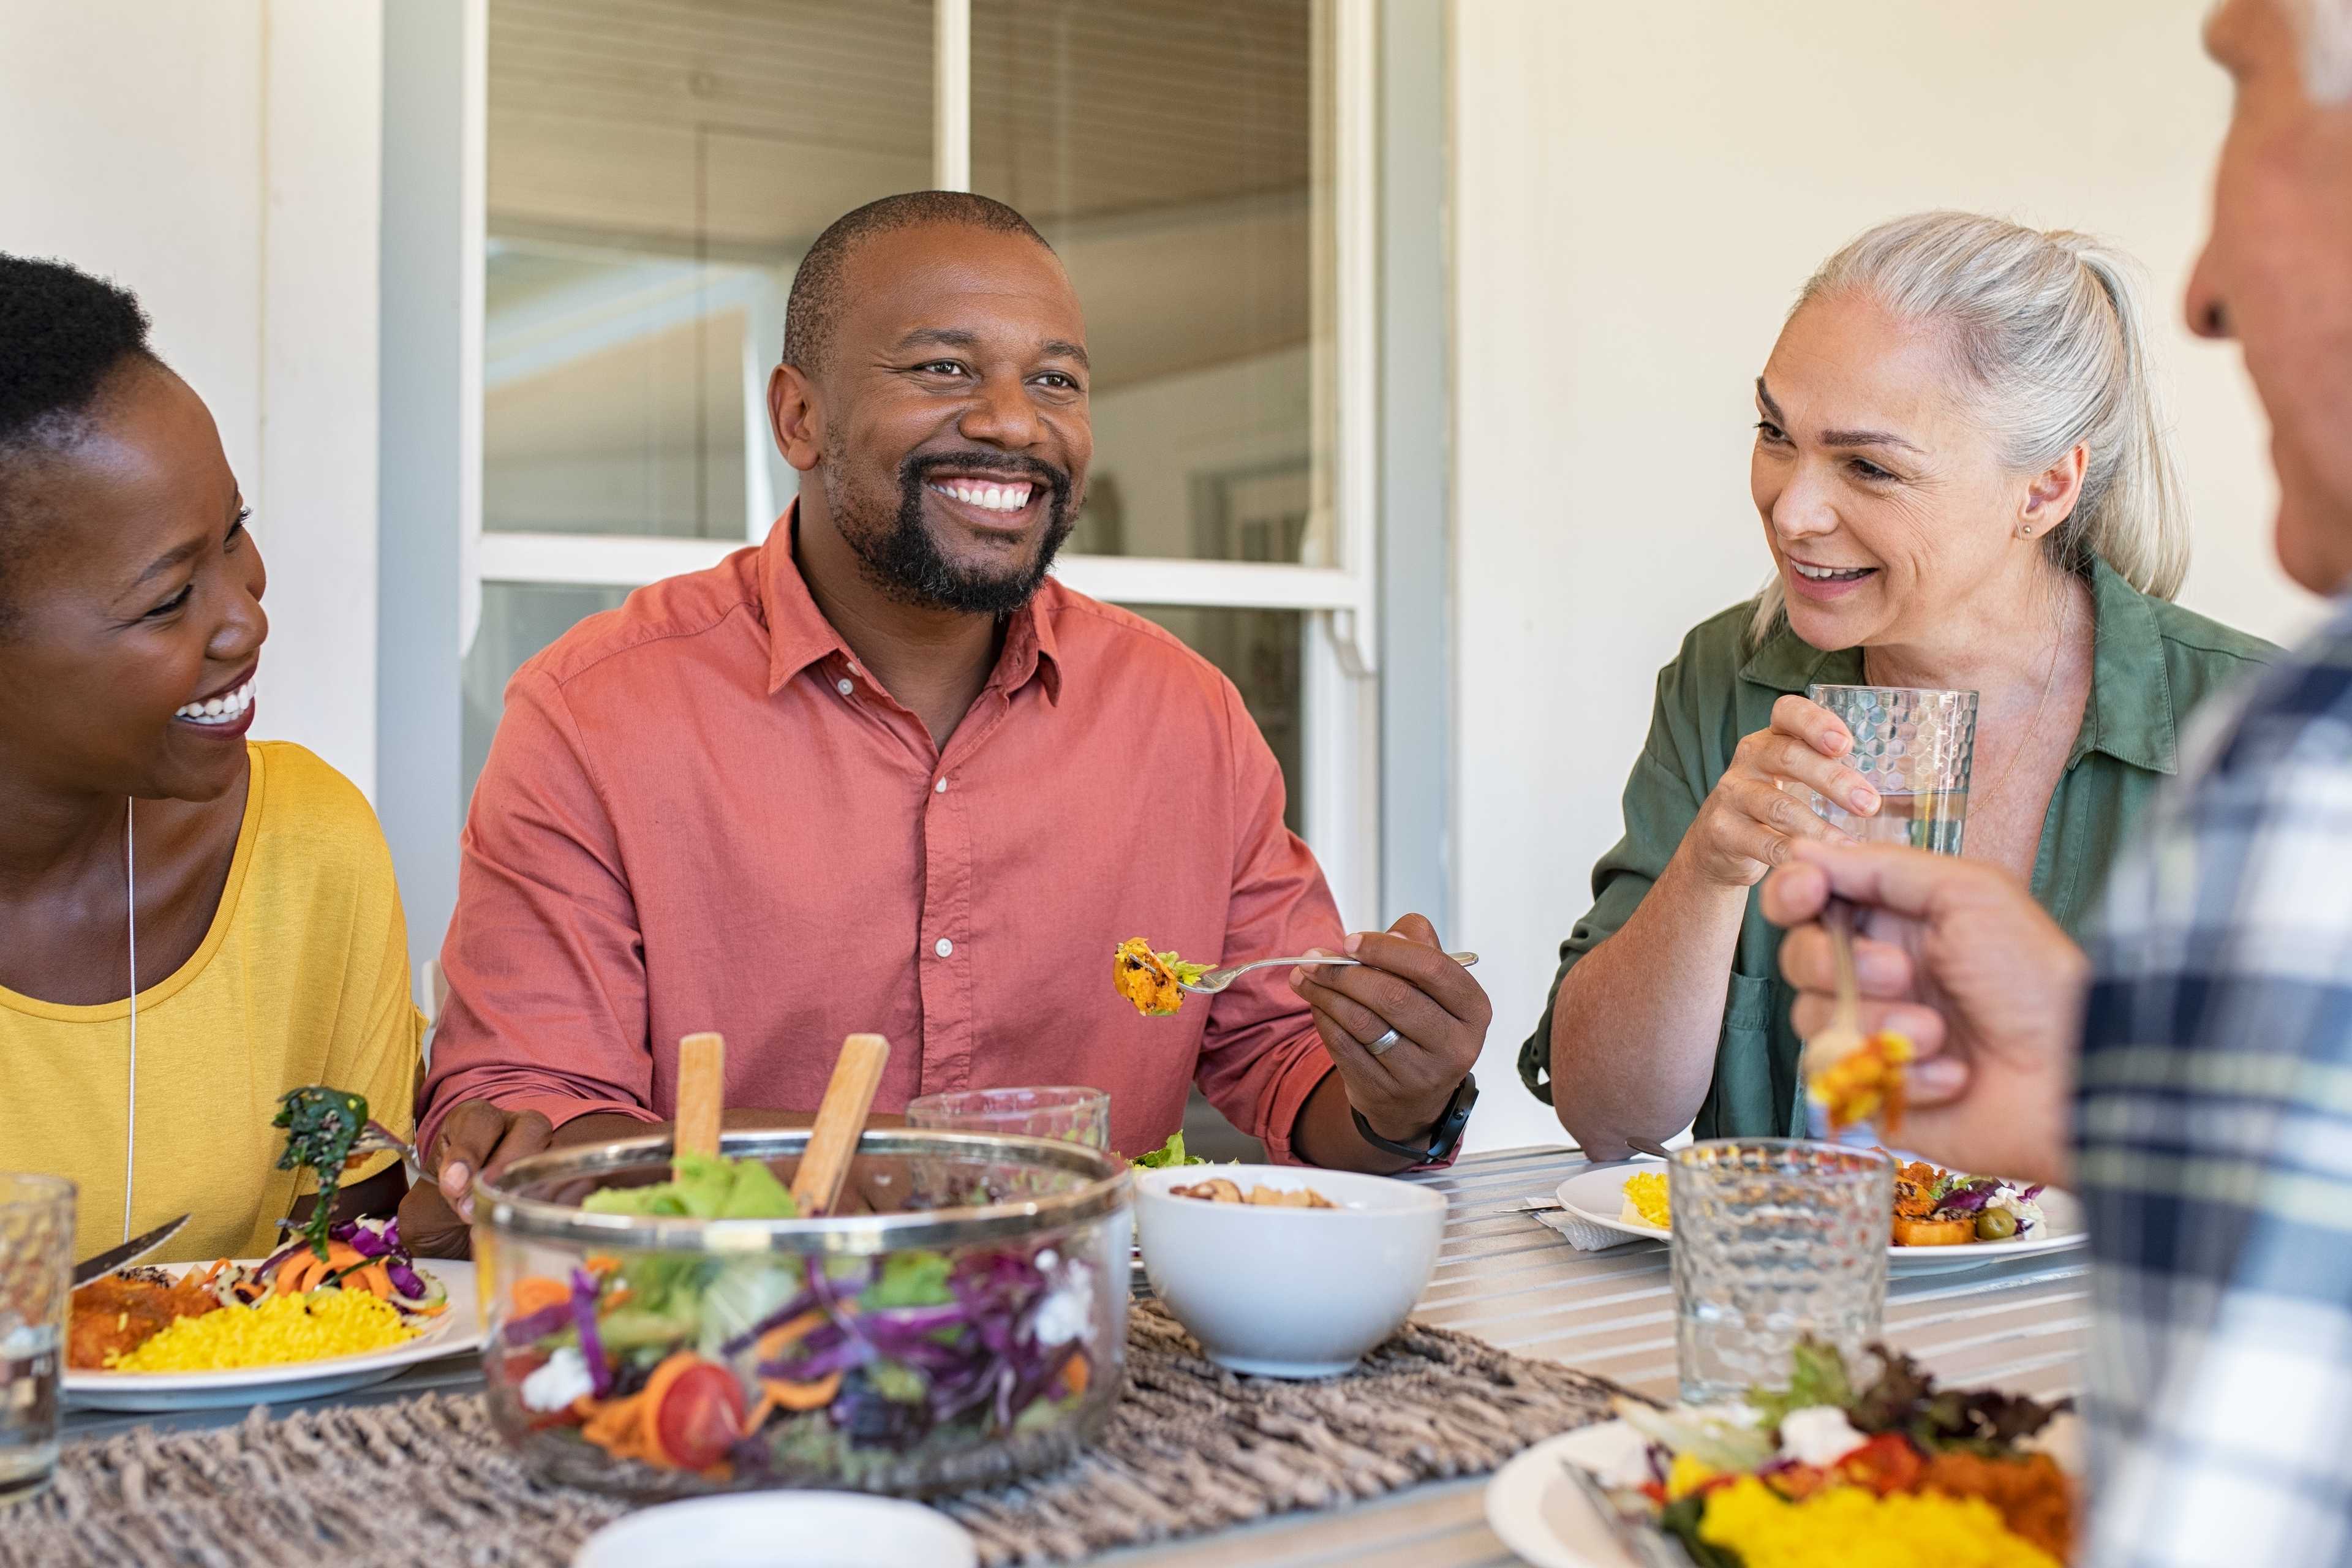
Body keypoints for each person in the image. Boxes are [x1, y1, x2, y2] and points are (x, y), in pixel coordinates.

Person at [402, 192, 1490, 1254]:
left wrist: (1401, 1091)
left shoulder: (1187, 718)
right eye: (944, 369)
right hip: (724, 1355)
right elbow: (537, 1129)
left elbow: (1290, 1068)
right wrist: (937, 1177)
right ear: (800, 417)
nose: (1015, 421)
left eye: (1055, 379)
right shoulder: (594, 713)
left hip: (1097, 1358)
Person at [1765, 1, 2352, 1561]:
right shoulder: (2294, 744)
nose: (2208, 295)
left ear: (2047, 490)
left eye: (2260, 110)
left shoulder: (2297, 756)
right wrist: (2110, 1094)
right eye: (1777, 436)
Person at [1521, 211, 2277, 1158]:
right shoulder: (1728, 681)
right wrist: (1708, 875)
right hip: (1799, 1298)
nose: (1792, 511)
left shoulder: (2259, 731)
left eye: (1870, 466)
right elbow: (1604, 1116)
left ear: (2044, 490)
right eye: (1774, 433)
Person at [0, 254, 421, 1261]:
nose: (247, 616)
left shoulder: (306, 848)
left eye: (233, 533)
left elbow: (353, 1279)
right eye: (167, 599)